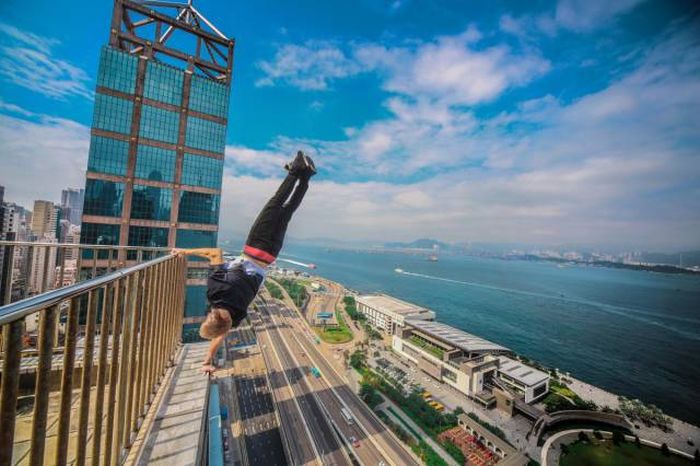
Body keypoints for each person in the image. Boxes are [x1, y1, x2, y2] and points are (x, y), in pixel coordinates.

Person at [173, 151, 316, 372]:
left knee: (287, 212)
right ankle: (296, 169)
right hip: (255, 247)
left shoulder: (237, 316)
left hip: (269, 255)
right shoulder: (215, 292)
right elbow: (215, 254)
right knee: (274, 205)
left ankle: (305, 177)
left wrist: (208, 359)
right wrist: (185, 251)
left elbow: (221, 335)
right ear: (210, 315)